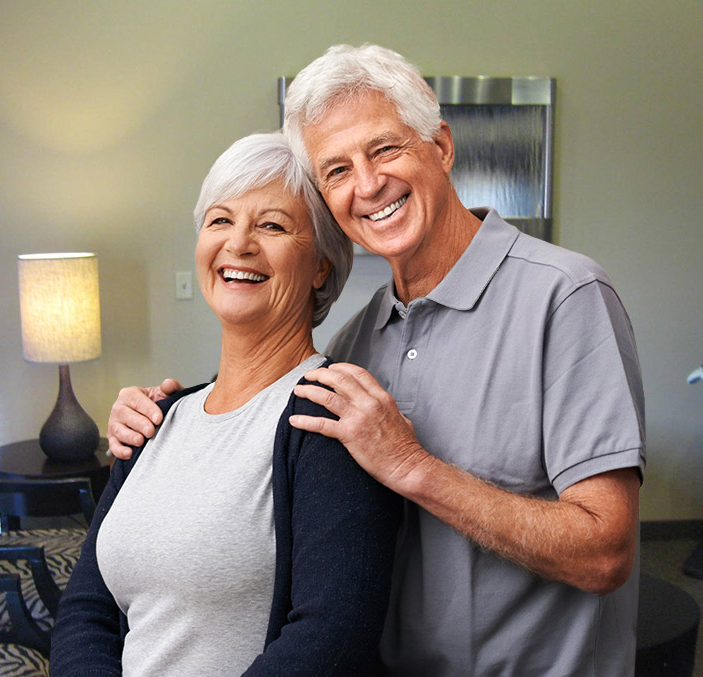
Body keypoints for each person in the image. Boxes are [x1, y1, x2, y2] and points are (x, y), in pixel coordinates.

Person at [107, 45, 646, 676]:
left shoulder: (564, 296)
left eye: (384, 149)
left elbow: (605, 553)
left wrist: (414, 467)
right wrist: (158, 423)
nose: (366, 185)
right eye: (336, 171)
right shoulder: (353, 346)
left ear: (440, 147)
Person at [49, 132, 401, 676]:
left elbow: (331, 635)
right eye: (220, 220)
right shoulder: (155, 418)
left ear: (321, 266)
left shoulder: (329, 417)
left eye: (272, 225)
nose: (239, 243)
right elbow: (86, 609)